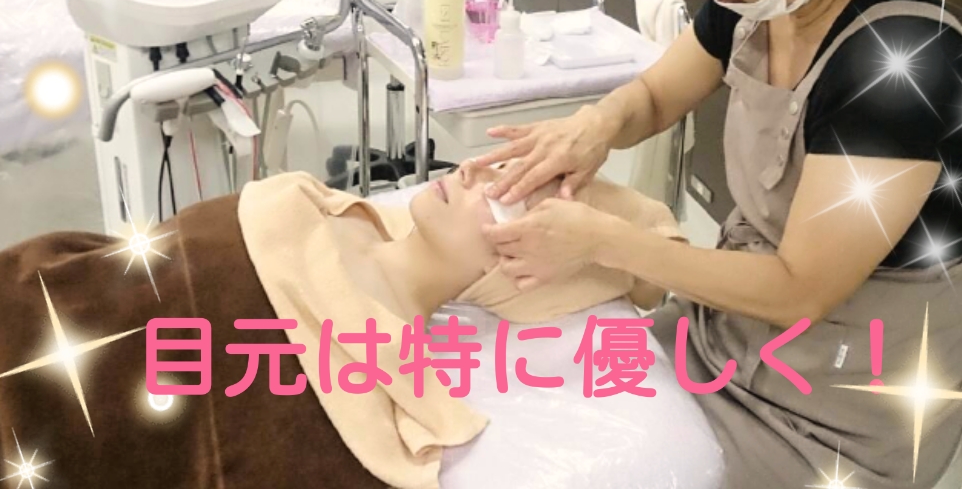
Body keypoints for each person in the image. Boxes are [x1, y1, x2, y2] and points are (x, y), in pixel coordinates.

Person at [473, 0, 962, 487]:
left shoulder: (903, 69)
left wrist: (601, 242)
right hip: (733, 334)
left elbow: (800, 290)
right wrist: (593, 125)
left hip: (841, 407)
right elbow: (655, 97)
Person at [0, 164, 721, 488]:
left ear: (522, 269)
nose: (475, 170)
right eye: (497, 164)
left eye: (508, 195)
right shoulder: (308, 201)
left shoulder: (387, 405)